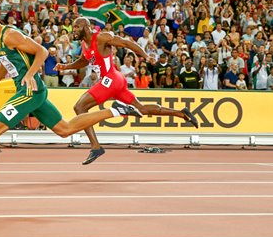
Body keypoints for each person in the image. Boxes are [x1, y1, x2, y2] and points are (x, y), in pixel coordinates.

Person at [0, 6, 143, 201]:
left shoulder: (9, 35)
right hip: (33, 91)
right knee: (65, 129)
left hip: (29, 91)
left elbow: (42, 52)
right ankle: (115, 110)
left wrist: (30, 75)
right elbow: (6, 65)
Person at [54, 17, 199, 165]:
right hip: (116, 80)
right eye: (73, 27)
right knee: (141, 109)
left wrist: (145, 56)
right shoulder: (84, 44)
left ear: (85, 27)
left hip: (110, 79)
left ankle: (96, 146)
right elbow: (84, 60)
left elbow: (127, 43)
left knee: (80, 107)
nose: (74, 30)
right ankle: (181, 113)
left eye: (76, 27)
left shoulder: (102, 37)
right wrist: (66, 67)